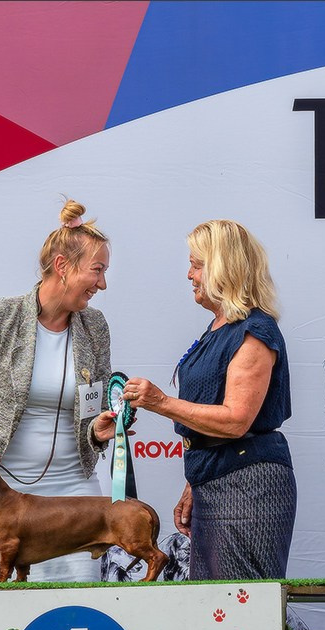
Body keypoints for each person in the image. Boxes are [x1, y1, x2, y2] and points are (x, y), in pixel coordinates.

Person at [0, 199, 117, 582]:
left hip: (77, 495)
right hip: (7, 498)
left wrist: (99, 430)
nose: (103, 283)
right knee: (15, 615)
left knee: (80, 610)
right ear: (62, 266)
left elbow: (96, 407)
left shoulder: (96, 326)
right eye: (97, 270)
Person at [122, 219, 296, 580]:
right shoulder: (219, 328)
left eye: (197, 264)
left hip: (249, 487)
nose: (189, 274)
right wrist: (193, 483)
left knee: (243, 603)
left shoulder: (254, 330)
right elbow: (210, 423)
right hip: (214, 481)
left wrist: (160, 401)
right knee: (216, 605)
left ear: (223, 268)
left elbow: (235, 420)